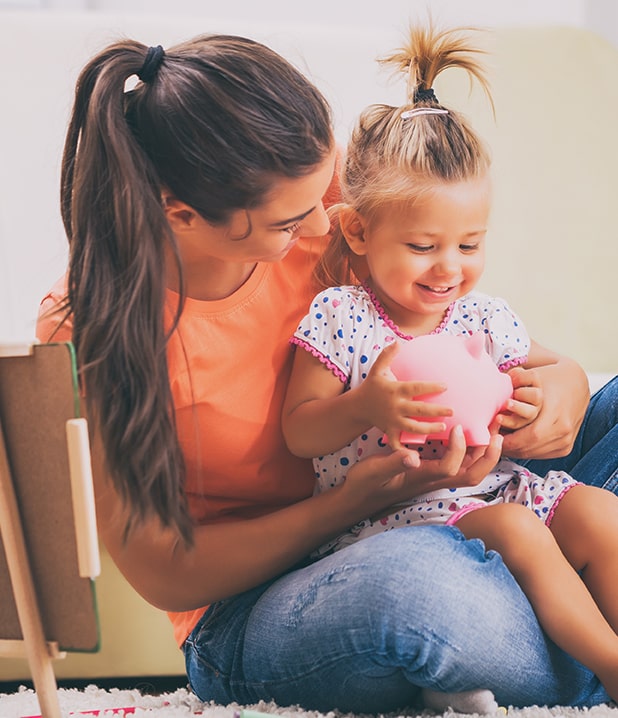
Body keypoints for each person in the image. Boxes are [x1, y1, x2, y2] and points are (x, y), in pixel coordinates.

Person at [35, 27, 617, 715]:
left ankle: (549, 615)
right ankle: (575, 633)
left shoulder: (314, 190)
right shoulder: (93, 326)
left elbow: (505, 350)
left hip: (466, 500)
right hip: (285, 591)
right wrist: (351, 503)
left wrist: (554, 402)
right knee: (419, 591)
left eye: (328, 196)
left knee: (555, 508)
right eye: (288, 223)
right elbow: (167, 571)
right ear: (181, 215)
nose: (324, 229)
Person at [281, 23, 618, 706]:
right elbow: (300, 431)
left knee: (597, 513)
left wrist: (524, 406)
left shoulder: (482, 317)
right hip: (390, 522)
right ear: (359, 231)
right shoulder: (340, 317)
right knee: (520, 529)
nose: (450, 268)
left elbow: (540, 380)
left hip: (487, 488)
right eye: (424, 245)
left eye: (469, 243)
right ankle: (608, 666)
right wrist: (365, 407)